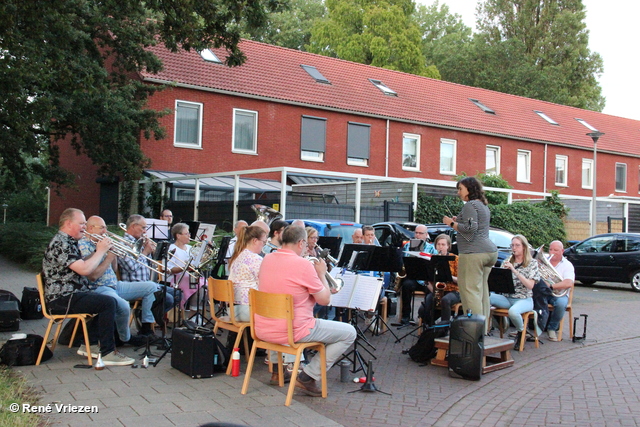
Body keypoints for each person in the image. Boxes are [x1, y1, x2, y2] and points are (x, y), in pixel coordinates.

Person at [258, 226, 356, 397]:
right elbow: (324, 300)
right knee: (349, 333)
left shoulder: (267, 259)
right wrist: (321, 274)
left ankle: (297, 372)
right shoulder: (303, 265)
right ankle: (308, 376)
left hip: (263, 328)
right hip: (292, 331)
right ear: (301, 242)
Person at [42, 208, 135, 366]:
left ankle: (90, 345)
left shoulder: (70, 241)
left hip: (73, 294)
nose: (84, 227)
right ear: (68, 224)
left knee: (104, 299)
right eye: (81, 224)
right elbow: (85, 270)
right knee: (108, 302)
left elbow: (84, 264)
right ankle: (107, 352)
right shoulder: (61, 243)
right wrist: (101, 251)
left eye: (85, 224)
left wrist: (101, 252)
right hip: (62, 298)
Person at [78, 216, 158, 342]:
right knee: (124, 306)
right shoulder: (83, 245)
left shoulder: (100, 243)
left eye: (106, 228)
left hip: (115, 285)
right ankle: (126, 338)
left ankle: (146, 326)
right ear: (91, 228)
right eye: (102, 228)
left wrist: (113, 253)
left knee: (152, 287)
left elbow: (114, 269)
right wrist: (107, 255)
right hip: (99, 287)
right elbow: (93, 276)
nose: (105, 231)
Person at [443, 176, 497, 331]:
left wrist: (451, 223)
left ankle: (474, 331)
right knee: (482, 292)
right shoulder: (482, 205)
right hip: (489, 252)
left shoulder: (470, 205)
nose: (458, 192)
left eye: (460, 189)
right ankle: (484, 329)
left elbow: (470, 230)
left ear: (469, 189)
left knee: (469, 290)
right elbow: (474, 226)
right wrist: (458, 221)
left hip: (473, 253)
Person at [118, 215, 182, 313]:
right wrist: (145, 252)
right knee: (167, 299)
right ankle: (146, 318)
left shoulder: (140, 242)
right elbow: (132, 268)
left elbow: (151, 266)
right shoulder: (123, 244)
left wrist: (153, 253)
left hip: (148, 283)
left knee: (177, 294)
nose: (145, 231)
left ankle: (148, 315)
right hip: (135, 286)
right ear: (134, 226)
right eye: (143, 227)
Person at [489, 234, 540, 346]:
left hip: (524, 299)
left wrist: (514, 271)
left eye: (517, 245)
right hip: (507, 297)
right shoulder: (507, 260)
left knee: (513, 312)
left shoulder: (532, 263)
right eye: (512, 245)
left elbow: (530, 286)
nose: (514, 248)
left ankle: (521, 332)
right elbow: (499, 282)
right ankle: (488, 329)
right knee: (486, 298)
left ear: (524, 247)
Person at [532, 240, 575, 341]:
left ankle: (552, 328)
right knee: (529, 299)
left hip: (558, 294)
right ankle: (527, 328)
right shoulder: (543, 262)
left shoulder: (567, 265)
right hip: (543, 292)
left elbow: (569, 283)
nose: (552, 252)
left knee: (561, 304)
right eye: (551, 249)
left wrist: (551, 286)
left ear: (562, 251)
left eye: (556, 250)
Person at [397, 224, 438, 324]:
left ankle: (425, 316)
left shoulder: (431, 248)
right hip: (412, 277)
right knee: (406, 285)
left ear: (426, 235)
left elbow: (436, 264)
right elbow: (403, 262)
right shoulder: (407, 245)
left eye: (421, 233)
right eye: (416, 233)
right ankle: (406, 315)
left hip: (426, 279)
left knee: (430, 292)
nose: (418, 235)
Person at [228, 225, 267, 322]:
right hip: (247, 310)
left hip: (232, 309)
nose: (264, 246)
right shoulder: (255, 259)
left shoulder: (238, 256)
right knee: (282, 311)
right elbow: (264, 285)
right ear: (255, 241)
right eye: (263, 242)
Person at [419, 234, 460, 325]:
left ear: (448, 246)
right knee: (422, 309)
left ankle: (443, 328)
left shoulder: (456, 259)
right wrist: (433, 290)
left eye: (443, 245)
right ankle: (431, 328)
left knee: (445, 300)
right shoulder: (432, 259)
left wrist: (449, 277)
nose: (440, 247)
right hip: (437, 290)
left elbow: (462, 280)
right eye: (438, 244)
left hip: (454, 290)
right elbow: (428, 281)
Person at [166, 223, 205, 310]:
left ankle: (195, 313)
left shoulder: (190, 247)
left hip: (189, 276)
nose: (189, 236)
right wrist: (184, 268)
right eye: (186, 233)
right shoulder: (171, 249)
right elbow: (168, 269)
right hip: (176, 278)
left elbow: (197, 263)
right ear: (178, 236)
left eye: (189, 233)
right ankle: (193, 313)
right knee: (200, 286)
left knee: (207, 286)